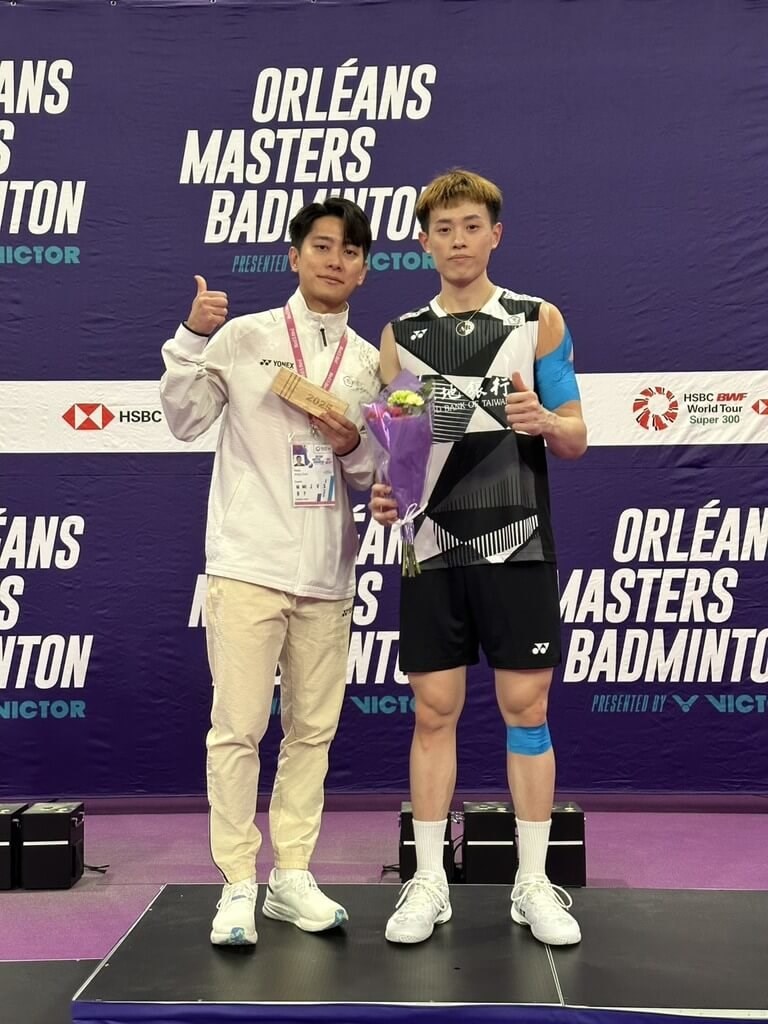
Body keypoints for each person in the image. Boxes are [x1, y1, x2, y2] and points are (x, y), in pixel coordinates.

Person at [370, 169, 587, 946]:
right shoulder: (398, 335)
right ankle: (430, 880)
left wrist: (543, 420)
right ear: (424, 241)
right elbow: (394, 446)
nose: (457, 240)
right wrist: (388, 495)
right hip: (430, 552)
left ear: (495, 235)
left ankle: (533, 883)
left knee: (527, 709)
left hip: (517, 544)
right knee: (434, 713)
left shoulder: (538, 321)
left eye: (471, 226)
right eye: (443, 228)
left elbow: (577, 435)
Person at [160, 198, 381, 946]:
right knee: (238, 730)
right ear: (294, 255)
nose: (334, 260)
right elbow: (184, 420)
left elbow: (373, 477)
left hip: (327, 572)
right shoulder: (244, 336)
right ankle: (237, 885)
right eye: (322, 246)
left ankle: (291, 877)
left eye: (350, 251)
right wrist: (191, 335)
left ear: (365, 267)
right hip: (248, 565)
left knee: (312, 733)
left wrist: (352, 443)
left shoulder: (368, 364)